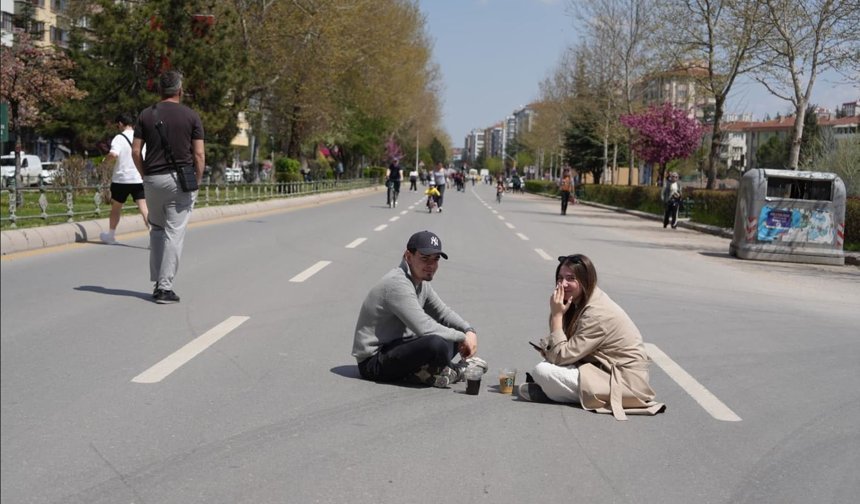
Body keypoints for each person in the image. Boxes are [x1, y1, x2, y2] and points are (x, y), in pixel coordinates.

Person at [518, 254, 665, 420]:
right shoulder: (581, 301)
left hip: (626, 383)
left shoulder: (597, 313)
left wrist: (557, 315)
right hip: (602, 370)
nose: (563, 284)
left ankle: (556, 393)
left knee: (543, 371)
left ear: (586, 281)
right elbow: (563, 349)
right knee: (546, 367)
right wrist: (557, 316)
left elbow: (560, 357)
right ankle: (556, 390)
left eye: (571, 278)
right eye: (560, 278)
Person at [352, 230, 487, 387]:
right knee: (436, 343)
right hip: (374, 362)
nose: (431, 265)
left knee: (451, 334)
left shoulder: (420, 282)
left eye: (435, 259)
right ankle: (456, 370)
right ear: (408, 256)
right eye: (424, 258)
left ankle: (426, 373)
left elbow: (443, 313)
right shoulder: (397, 284)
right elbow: (424, 328)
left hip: (398, 348)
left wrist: (468, 331)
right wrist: (463, 338)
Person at [132, 70, 204, 304]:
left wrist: (145, 175)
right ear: (180, 90)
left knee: (157, 229)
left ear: (160, 90)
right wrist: (197, 181)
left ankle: (157, 282)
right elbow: (199, 154)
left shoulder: (146, 114)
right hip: (179, 181)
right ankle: (164, 288)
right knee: (174, 232)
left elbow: (135, 151)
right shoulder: (191, 116)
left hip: (152, 180)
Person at [100, 113, 149, 244]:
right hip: (138, 178)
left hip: (121, 179)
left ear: (121, 124)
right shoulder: (140, 137)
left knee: (116, 207)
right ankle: (154, 237)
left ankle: (111, 236)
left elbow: (114, 154)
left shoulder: (119, 138)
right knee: (144, 208)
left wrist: (105, 161)